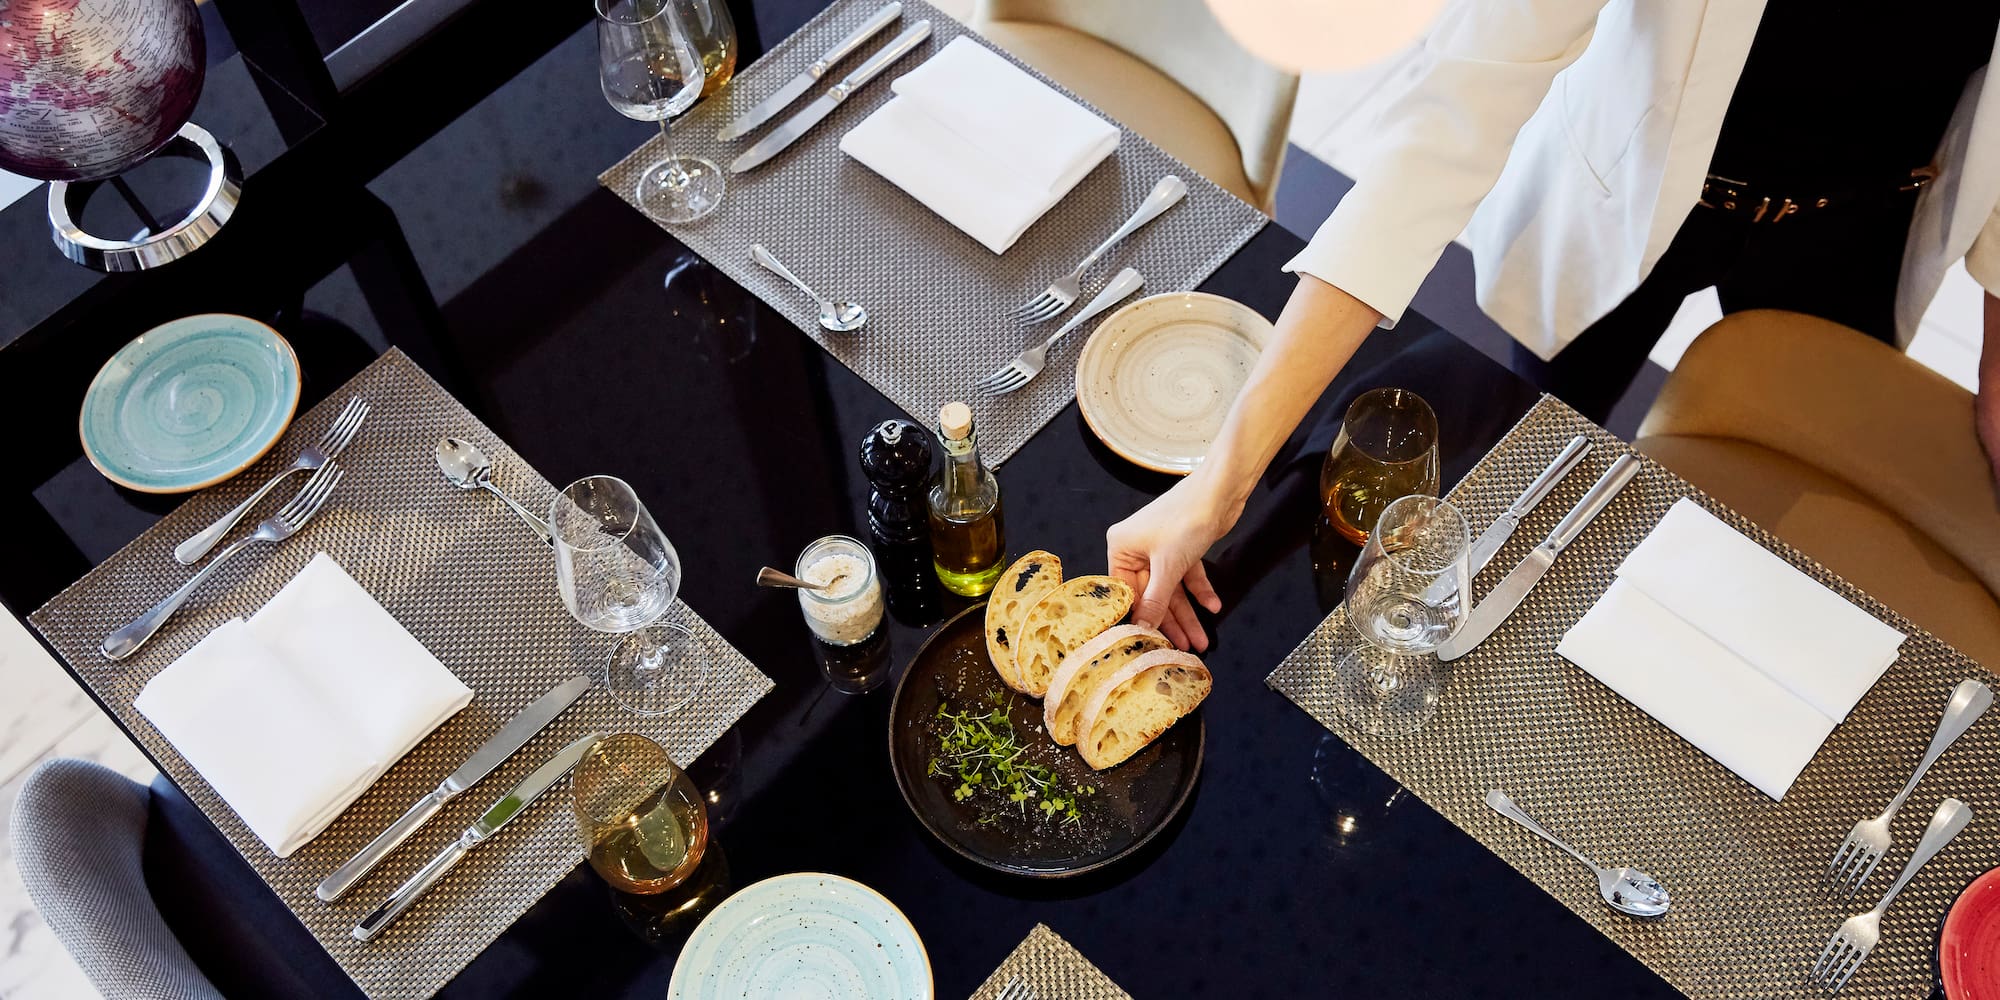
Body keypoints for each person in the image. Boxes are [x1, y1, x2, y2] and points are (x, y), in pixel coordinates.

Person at [1109, 0, 2000, 652]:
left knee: (1781, 551)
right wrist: (1221, 483)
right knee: (1532, 426)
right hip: (1631, 182)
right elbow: (1440, 135)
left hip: (1863, 221)